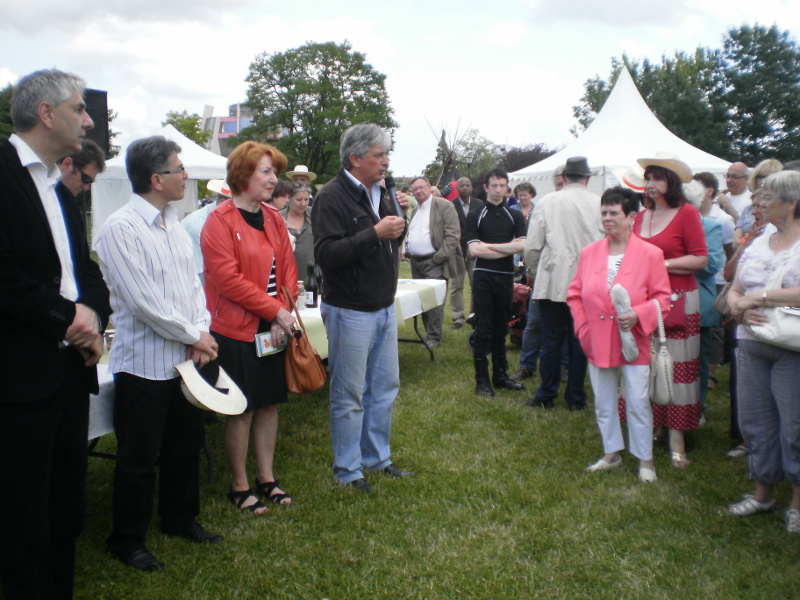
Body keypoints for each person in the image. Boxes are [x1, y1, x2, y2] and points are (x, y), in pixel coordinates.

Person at [0, 69, 110, 600]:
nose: (88, 119)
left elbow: (83, 270)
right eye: (78, 108)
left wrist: (92, 317)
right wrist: (68, 319)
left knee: (67, 509)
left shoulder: (58, 188)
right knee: (22, 518)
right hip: (19, 382)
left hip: (71, 374)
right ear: (46, 114)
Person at [96, 136, 223, 572]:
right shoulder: (120, 229)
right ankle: (127, 539)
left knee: (185, 445)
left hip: (184, 362)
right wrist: (195, 335)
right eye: (178, 168)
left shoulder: (174, 224)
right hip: (144, 366)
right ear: (156, 178)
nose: (185, 175)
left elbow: (192, 288)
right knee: (137, 458)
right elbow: (143, 301)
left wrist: (201, 331)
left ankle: (179, 518)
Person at [311, 123, 413, 493]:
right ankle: (348, 469)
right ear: (355, 158)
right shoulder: (331, 197)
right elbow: (326, 254)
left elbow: (388, 241)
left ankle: (376, 458)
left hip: (383, 307)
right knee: (350, 392)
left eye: (386, 154)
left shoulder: (382, 192)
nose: (385, 162)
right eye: (378, 155)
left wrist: (397, 226)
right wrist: (375, 233)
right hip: (351, 310)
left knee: (384, 387)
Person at [202, 141, 297, 514]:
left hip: (273, 328)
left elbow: (287, 271)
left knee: (269, 404)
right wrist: (275, 311)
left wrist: (281, 314)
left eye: (275, 171)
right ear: (243, 175)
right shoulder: (219, 220)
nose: (274, 178)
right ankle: (239, 484)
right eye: (266, 171)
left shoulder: (274, 218)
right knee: (241, 409)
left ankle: (267, 477)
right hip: (236, 330)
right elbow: (228, 280)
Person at [567, 187, 671, 482]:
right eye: (604, 213)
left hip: (634, 340)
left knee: (637, 400)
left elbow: (664, 298)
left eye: (614, 213)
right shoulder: (589, 253)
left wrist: (641, 314)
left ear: (632, 217)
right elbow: (574, 295)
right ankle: (611, 452)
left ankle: (645, 460)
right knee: (603, 399)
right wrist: (583, 329)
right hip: (596, 339)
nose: (608, 218)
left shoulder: (651, 254)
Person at [725, 170, 800, 534]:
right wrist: (740, 304)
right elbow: (735, 287)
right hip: (752, 342)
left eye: (770, 198)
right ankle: (763, 492)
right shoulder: (758, 239)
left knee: (795, 428)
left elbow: (759, 292)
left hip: (793, 347)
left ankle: (797, 504)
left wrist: (763, 297)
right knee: (756, 423)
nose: (762, 203)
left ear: (792, 203)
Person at [631, 152, 708, 468]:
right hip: (645, 300)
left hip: (678, 298)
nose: (650, 184)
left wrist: (660, 264)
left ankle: (677, 438)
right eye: (648, 178)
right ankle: (654, 426)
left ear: (670, 182)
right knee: (646, 366)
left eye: (657, 178)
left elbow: (701, 259)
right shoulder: (640, 216)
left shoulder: (687, 213)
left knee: (676, 368)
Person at [524, 157, 604, 410]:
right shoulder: (600, 203)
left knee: (552, 341)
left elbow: (533, 246)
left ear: (564, 178)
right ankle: (576, 397)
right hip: (588, 282)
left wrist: (537, 272)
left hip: (554, 281)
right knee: (579, 342)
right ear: (587, 178)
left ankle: (547, 394)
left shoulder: (549, 201)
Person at [466, 168, 527, 396]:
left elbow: (522, 246)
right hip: (483, 276)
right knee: (483, 328)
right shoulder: (476, 215)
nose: (499, 190)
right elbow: (474, 250)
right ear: (486, 187)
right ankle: (482, 381)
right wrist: (506, 248)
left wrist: (489, 247)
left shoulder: (515, 215)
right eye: (495, 185)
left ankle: (500, 375)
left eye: (503, 185)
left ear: (507, 187)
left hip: (505, 278)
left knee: (502, 327)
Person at [405, 176, 463, 347]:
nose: (419, 191)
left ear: (429, 187)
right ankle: (428, 335)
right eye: (415, 189)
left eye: (422, 187)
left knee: (434, 300)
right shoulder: (416, 210)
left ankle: (434, 337)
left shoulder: (444, 205)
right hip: (416, 262)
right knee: (422, 300)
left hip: (434, 261)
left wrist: (439, 257)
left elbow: (453, 235)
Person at [510, 182, 539, 382]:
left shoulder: (539, 211)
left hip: (533, 260)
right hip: (516, 256)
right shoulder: (511, 211)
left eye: (526, 194)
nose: (523, 197)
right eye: (520, 194)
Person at [449, 176, 483, 329]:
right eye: (461, 185)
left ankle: (475, 315)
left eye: (467, 185)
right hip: (457, 250)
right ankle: (458, 317)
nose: (464, 187)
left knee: (476, 283)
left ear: (471, 188)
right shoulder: (451, 205)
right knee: (457, 285)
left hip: (474, 250)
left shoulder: (479, 204)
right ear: (457, 189)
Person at [281, 181, 314, 276]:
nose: (303, 204)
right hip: (286, 276)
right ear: (289, 198)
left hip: (311, 278)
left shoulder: (315, 215)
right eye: (299, 200)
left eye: (306, 200)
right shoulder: (278, 217)